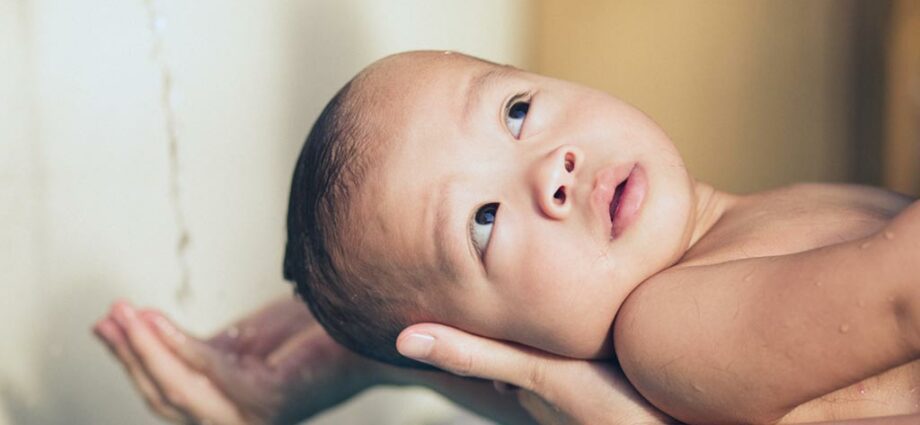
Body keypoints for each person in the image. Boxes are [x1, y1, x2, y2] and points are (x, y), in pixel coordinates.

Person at [94, 50, 920, 424]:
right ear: (475, 342)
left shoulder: (749, 220)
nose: (548, 171)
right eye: (483, 224)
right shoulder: (670, 329)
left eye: (515, 111)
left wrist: (354, 354)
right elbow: (902, 294)